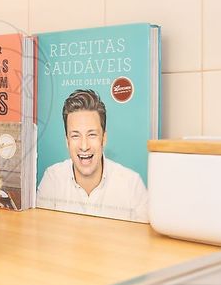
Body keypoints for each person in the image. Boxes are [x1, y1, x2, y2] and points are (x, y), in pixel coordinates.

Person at [36, 89, 148, 222]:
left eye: (92, 134)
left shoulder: (132, 185)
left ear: (104, 138)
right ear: (67, 141)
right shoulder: (52, 180)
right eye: (75, 135)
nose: (84, 146)